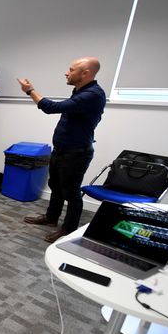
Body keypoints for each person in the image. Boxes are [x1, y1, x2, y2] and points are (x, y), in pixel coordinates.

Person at [19, 57, 106, 243]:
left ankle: (68, 229)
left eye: (71, 69)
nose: (67, 72)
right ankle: (51, 218)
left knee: (71, 193)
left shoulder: (93, 95)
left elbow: (51, 108)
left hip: (76, 153)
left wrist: (30, 91)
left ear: (85, 73)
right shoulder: (79, 91)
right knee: (56, 187)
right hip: (62, 150)